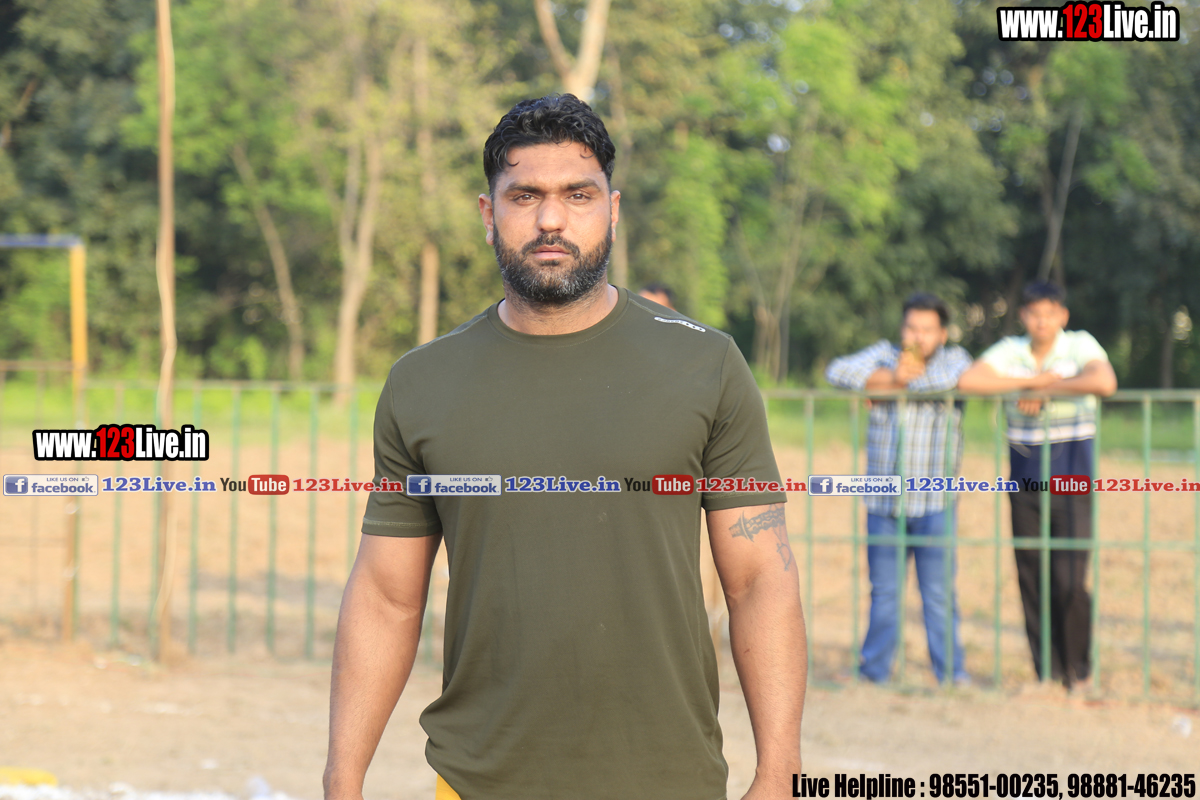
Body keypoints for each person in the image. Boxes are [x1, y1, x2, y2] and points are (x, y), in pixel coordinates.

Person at [323, 94, 806, 800]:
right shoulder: (421, 383)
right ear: (489, 214)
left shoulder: (706, 365)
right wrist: (342, 778)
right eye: (525, 196)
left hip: (667, 779)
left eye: (578, 195)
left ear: (612, 209)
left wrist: (781, 770)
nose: (551, 219)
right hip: (479, 782)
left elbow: (760, 577)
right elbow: (386, 596)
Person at [957, 280, 1116, 688]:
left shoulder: (1079, 344)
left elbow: (1104, 382)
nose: (1042, 321)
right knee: (1031, 575)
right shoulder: (1011, 351)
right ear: (1023, 316)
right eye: (1034, 313)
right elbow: (970, 381)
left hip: (1073, 479)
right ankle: (1046, 672)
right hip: (1025, 482)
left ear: (1062, 315)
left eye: (1049, 313)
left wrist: (1047, 387)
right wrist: (1026, 384)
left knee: (1070, 578)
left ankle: (1077, 672)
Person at [825, 293, 972, 685]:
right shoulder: (883, 353)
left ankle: (951, 675)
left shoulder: (955, 358)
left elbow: (951, 380)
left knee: (938, 594)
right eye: (911, 327)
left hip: (935, 499)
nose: (918, 337)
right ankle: (874, 672)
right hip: (883, 499)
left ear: (942, 334)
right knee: (884, 593)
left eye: (927, 329)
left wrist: (884, 384)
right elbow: (837, 371)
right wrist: (892, 379)